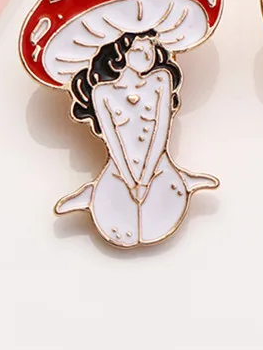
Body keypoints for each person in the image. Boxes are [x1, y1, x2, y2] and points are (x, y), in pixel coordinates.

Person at [56, 30, 217, 246]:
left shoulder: (161, 80)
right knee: (120, 217)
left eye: (151, 48)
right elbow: (112, 141)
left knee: (162, 207)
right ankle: (97, 197)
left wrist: (147, 175)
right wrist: (131, 181)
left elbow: (161, 130)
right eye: (140, 49)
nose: (149, 54)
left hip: (159, 169)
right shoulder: (102, 92)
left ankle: (173, 184)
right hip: (118, 173)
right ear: (120, 52)